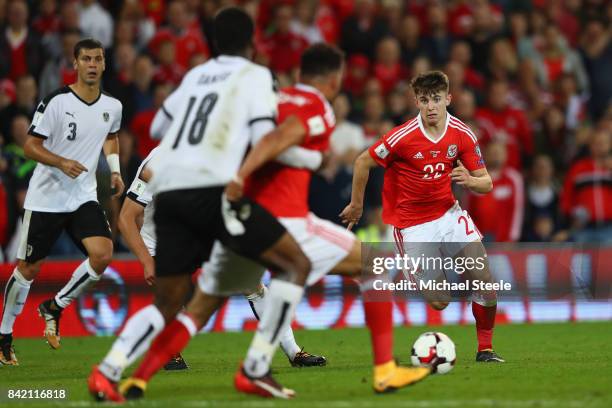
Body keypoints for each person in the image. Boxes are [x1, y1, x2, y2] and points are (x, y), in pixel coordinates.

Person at [118, 43, 430, 401]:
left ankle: (138, 378)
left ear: (298, 76)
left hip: (238, 222)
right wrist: (263, 168)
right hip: (282, 220)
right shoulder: (319, 107)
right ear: (333, 79)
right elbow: (280, 137)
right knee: (373, 263)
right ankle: (383, 370)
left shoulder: (267, 105)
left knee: (203, 307)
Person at [87, 8, 312, 401]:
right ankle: (256, 369)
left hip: (173, 193)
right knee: (295, 264)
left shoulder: (194, 76)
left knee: (170, 300)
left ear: (212, 43)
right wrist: (303, 157)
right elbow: (263, 136)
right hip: (212, 193)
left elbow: (159, 128)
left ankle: (107, 371)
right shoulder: (255, 76)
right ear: (252, 43)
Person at [340, 71, 505, 363]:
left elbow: (487, 183)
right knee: (440, 301)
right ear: (416, 101)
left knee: (485, 281)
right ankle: (416, 271)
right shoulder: (402, 137)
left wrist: (469, 179)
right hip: (413, 226)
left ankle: (485, 349)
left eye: (437, 99)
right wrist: (357, 205)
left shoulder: (462, 133)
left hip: (448, 214)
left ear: (448, 99)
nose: (431, 106)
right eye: (425, 99)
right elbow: (362, 161)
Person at [0, 38, 124, 366]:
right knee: (28, 268)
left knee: (103, 254)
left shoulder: (112, 106)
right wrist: (60, 162)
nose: (93, 64)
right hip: (47, 197)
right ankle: (4, 334)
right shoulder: (56, 102)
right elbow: (30, 146)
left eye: (98, 58)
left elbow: (110, 137)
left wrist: (114, 171)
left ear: (104, 64)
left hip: (82, 196)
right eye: (86, 59)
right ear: (76, 64)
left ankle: (54, 306)